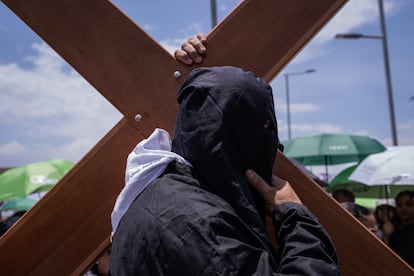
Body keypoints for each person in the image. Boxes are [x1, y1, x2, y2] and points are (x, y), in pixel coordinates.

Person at [109, 38, 339, 275]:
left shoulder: (158, 194)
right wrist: (294, 215)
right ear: (242, 136)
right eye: (265, 130)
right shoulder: (201, 223)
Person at [389, 190, 414, 268]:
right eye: (399, 205)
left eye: (408, 204)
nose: (404, 208)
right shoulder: (393, 230)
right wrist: (387, 235)